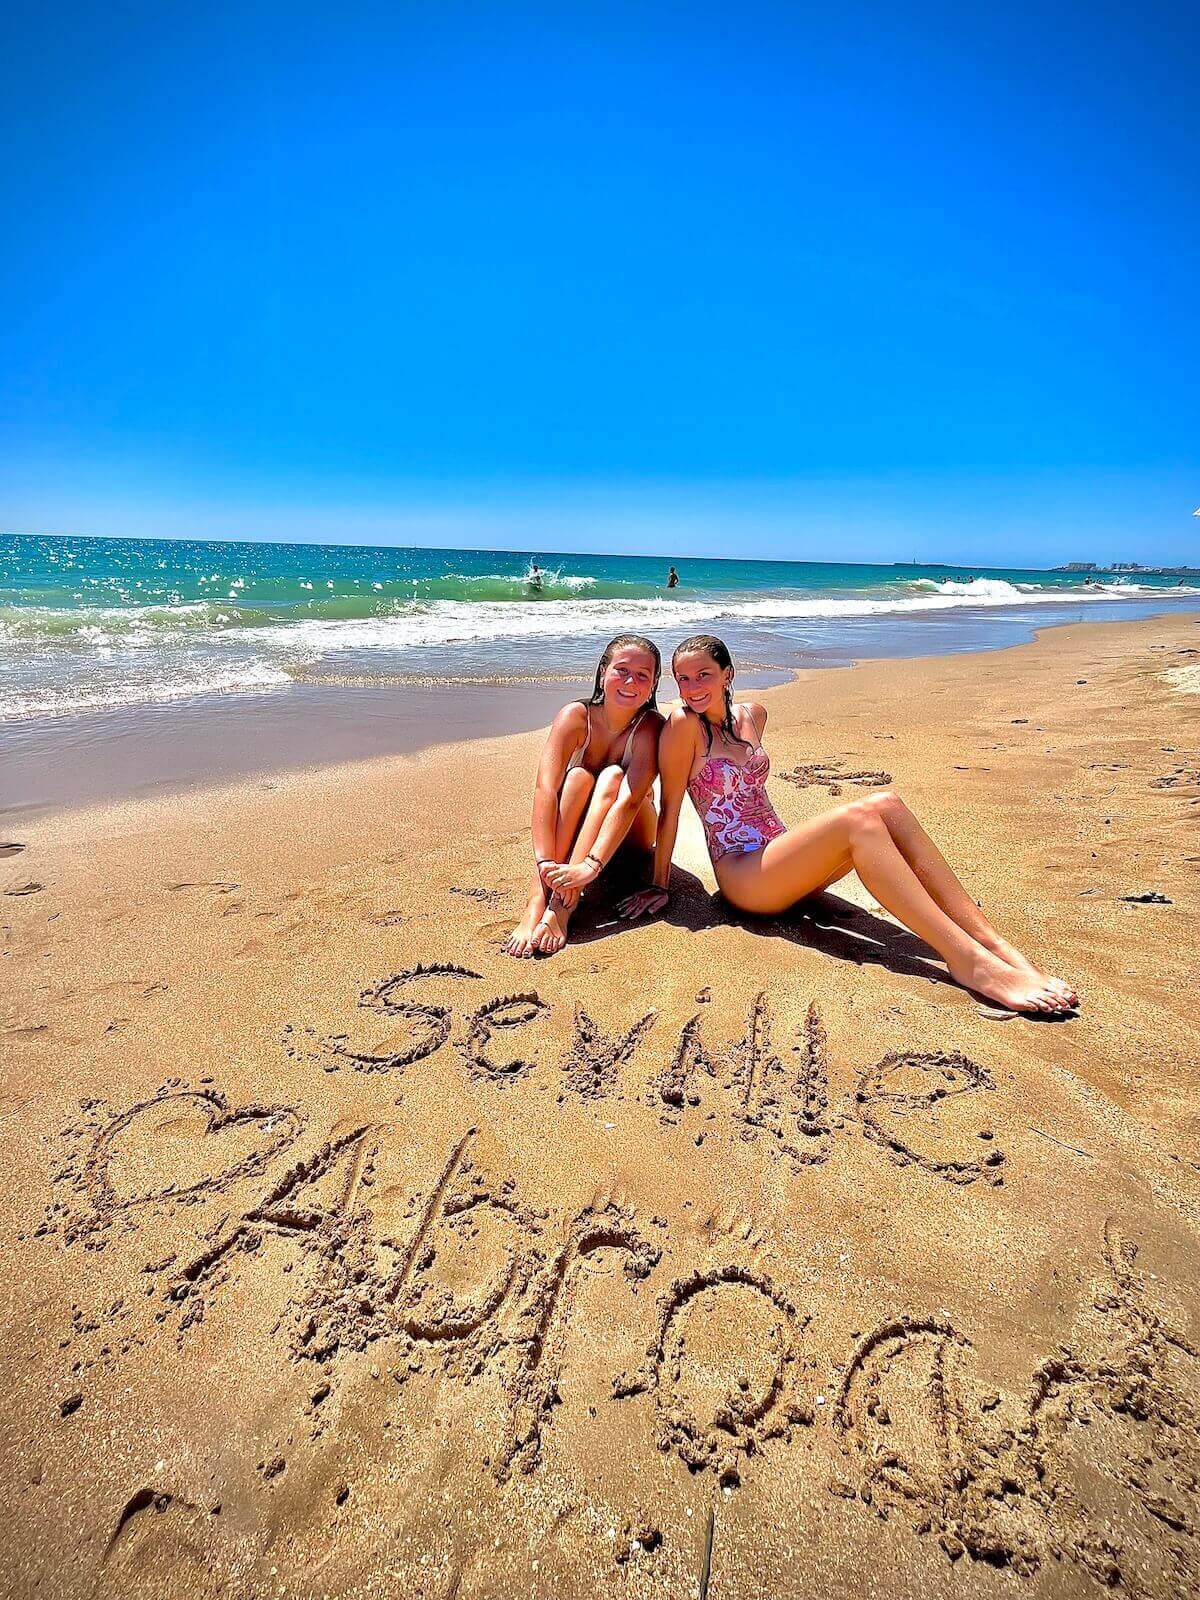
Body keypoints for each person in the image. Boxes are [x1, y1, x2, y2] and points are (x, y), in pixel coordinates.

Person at [619, 634, 1078, 1016]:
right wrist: (660, 883)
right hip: (744, 876)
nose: (692, 688)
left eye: (703, 675)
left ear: (728, 674)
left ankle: (993, 943)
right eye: (682, 679)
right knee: (860, 820)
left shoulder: (752, 715)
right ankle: (968, 962)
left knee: (886, 804)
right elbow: (671, 807)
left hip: (781, 858)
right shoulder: (682, 726)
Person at [504, 635, 663, 957]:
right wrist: (544, 863)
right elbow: (546, 790)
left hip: (629, 838)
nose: (630, 681)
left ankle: (562, 905)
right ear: (603, 672)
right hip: (576, 839)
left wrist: (589, 868)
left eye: (642, 675)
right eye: (621, 670)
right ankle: (538, 901)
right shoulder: (576, 717)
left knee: (613, 777)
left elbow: (631, 800)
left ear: (653, 684)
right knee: (576, 778)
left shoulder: (650, 727)